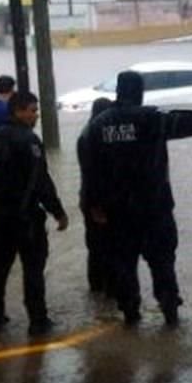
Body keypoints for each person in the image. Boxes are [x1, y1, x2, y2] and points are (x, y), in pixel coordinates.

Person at [83, 71, 192, 327]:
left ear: (118, 91)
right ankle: (170, 314)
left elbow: (90, 170)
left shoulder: (98, 125)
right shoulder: (151, 119)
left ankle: (130, 315)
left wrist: (94, 206)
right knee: (162, 264)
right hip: (153, 208)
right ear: (140, 92)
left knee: (124, 266)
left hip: (117, 213)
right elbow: (191, 121)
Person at [0, 91, 69, 336]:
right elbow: (41, 181)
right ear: (18, 111)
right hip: (25, 217)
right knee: (33, 269)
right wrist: (58, 212)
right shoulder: (29, 141)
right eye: (32, 110)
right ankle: (37, 320)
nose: (36, 115)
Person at [77, 97, 114, 295]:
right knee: (107, 245)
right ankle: (107, 288)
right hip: (97, 200)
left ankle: (96, 288)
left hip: (88, 198)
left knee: (94, 245)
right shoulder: (96, 136)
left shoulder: (86, 134)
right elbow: (95, 173)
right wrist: (97, 205)